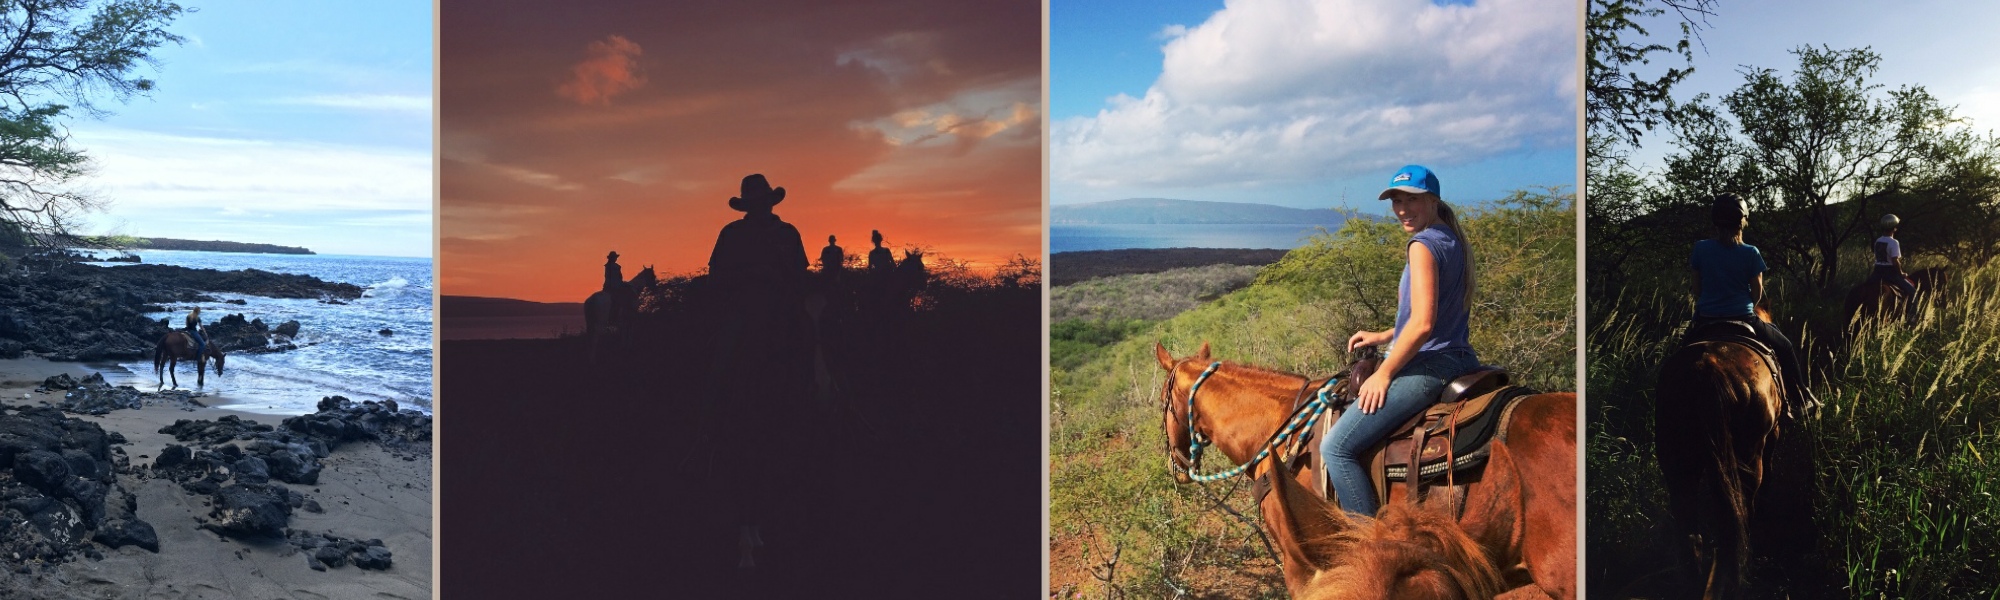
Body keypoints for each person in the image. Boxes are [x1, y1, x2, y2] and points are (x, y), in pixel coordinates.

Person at [1318, 165, 1480, 518]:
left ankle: (1368, 543)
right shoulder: (1451, 239)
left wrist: (1385, 373)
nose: (1403, 209)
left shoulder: (1422, 246)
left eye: (1412, 200)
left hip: (1430, 365)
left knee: (1336, 448)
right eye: (1397, 201)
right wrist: (1384, 335)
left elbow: (1422, 325)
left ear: (1433, 200)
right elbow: (1431, 315)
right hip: (1463, 359)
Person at [705, 173, 809, 569]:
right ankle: (706, 428)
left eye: (763, 199)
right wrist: (751, 276)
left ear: (769, 201)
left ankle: (840, 404)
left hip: (783, 309)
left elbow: (800, 273)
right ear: (749, 204)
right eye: (755, 200)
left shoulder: (789, 233)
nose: (760, 205)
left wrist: (789, 285)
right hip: (743, 313)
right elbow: (716, 275)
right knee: (721, 356)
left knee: (819, 341)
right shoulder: (731, 234)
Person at [1687, 193, 1813, 415]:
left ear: (1715, 221)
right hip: (1743, 318)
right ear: (1742, 221)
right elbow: (1757, 293)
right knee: (1785, 346)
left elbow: (1696, 290)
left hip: (1705, 319)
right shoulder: (1751, 252)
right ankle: (1801, 398)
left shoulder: (1701, 248)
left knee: (1677, 358)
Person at [1868, 214, 1916, 298]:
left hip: (1876, 272)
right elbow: (1895, 261)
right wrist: (1901, 273)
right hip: (1890, 273)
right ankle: (1913, 311)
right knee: (1912, 291)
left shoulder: (1878, 241)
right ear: (1894, 228)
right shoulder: (1894, 242)